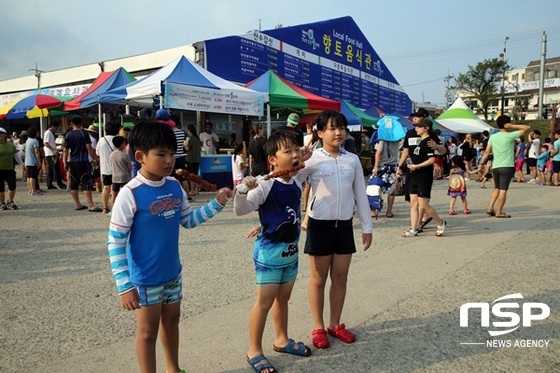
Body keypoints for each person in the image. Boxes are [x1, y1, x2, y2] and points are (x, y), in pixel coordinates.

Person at [107, 120, 232, 373]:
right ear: (140, 156)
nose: (169, 161)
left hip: (172, 274)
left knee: (172, 321)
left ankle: (173, 368)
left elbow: (188, 221)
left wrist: (216, 204)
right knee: (147, 332)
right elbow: (115, 242)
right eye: (161, 154)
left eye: (172, 154)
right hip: (145, 279)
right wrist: (124, 286)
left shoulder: (175, 187)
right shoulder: (130, 193)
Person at [294, 110, 372, 350]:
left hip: (344, 225)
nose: (338, 132)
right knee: (318, 279)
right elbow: (291, 180)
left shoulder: (352, 159)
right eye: (331, 128)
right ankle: (318, 327)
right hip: (320, 224)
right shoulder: (313, 159)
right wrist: (300, 159)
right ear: (320, 132)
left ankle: (335, 324)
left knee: (340, 277)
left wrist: (367, 226)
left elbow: (361, 192)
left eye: (341, 127)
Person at [234, 130, 310, 373]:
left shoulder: (297, 180)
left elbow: (309, 164)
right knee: (264, 302)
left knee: (283, 299)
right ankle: (254, 350)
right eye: (288, 151)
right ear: (272, 160)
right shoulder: (266, 184)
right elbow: (241, 209)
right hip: (269, 256)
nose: (295, 154)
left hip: (291, 253)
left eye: (296, 149)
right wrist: (243, 190)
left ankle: (281, 339)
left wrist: (304, 155)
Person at [397, 108, 446, 232]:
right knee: (411, 200)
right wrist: (399, 166)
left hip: (424, 172)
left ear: (425, 120)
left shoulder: (431, 135)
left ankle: (418, 225)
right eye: (413, 116)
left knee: (422, 202)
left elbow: (444, 151)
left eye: (417, 117)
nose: (414, 119)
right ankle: (417, 225)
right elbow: (406, 150)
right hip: (412, 170)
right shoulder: (410, 133)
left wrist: (437, 146)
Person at [480, 115, 530, 218]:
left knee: (497, 188)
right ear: (507, 124)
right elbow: (527, 127)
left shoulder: (493, 137)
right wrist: (512, 126)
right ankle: (499, 212)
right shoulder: (510, 135)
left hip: (495, 166)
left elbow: (486, 152)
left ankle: (490, 208)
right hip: (506, 166)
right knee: (503, 189)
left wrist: (481, 164)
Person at [63, 115, 102, 212]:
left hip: (72, 161)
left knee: (74, 183)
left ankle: (77, 204)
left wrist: (64, 162)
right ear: (81, 123)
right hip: (83, 161)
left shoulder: (68, 135)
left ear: (72, 124)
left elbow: (65, 150)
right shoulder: (84, 133)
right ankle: (91, 205)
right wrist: (94, 159)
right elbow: (89, 148)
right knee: (86, 182)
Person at [372, 136, 400, 218]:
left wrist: (376, 166)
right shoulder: (396, 140)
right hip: (393, 166)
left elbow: (379, 152)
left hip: (382, 166)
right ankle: (389, 211)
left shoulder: (383, 140)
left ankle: (374, 210)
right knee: (391, 190)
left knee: (375, 187)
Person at [96, 121, 121, 214]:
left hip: (105, 168)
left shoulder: (101, 140)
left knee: (106, 187)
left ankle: (105, 208)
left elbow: (97, 153)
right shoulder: (117, 139)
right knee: (115, 189)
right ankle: (113, 207)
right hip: (116, 168)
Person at [0, 127, 21, 210]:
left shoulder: (10, 144)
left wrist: (22, 164)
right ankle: (2, 203)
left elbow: (16, 155)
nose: (0, 135)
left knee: (12, 185)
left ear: (5, 134)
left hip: (9, 168)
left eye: (2, 133)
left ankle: (10, 201)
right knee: (0, 187)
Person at [109, 136, 131, 208]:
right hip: (124, 176)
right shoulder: (125, 155)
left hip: (115, 176)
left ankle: (113, 208)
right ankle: (124, 207)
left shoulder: (111, 154)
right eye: (124, 143)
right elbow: (129, 167)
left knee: (114, 193)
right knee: (125, 193)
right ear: (122, 144)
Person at [43, 121, 66, 190]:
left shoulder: (50, 133)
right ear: (52, 126)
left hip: (51, 153)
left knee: (50, 170)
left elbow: (50, 143)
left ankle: (49, 183)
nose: (56, 129)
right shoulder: (48, 133)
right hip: (50, 153)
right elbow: (46, 143)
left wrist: (58, 145)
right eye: (55, 127)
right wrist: (53, 149)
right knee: (55, 169)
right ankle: (60, 184)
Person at [184, 124, 202, 196]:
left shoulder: (189, 138)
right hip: (197, 158)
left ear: (189, 130)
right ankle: (196, 189)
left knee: (191, 175)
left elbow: (187, 148)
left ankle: (192, 190)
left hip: (190, 158)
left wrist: (184, 144)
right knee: (196, 174)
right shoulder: (197, 138)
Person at [24, 126, 43, 196]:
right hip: (33, 161)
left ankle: (30, 190)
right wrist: (39, 161)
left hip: (27, 161)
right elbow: (37, 152)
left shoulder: (28, 140)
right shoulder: (35, 141)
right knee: (33, 177)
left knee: (29, 177)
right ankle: (34, 190)